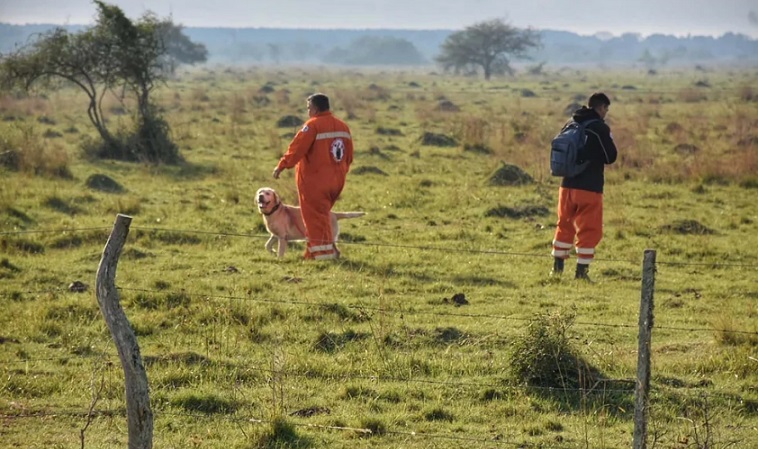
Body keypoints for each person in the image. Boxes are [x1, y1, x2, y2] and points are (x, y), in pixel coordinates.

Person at [272, 93, 353, 260]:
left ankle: (320, 254)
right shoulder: (343, 126)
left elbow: (296, 149)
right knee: (322, 215)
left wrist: (282, 165)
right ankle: (325, 251)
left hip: (315, 183)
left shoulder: (312, 125)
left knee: (314, 217)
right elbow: (349, 156)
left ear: (315, 109)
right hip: (336, 182)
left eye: (309, 108)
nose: (308, 112)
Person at [551, 92, 618, 280]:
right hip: (589, 187)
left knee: (564, 225)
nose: (605, 113)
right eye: (606, 109)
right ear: (601, 107)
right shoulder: (599, 127)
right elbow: (610, 157)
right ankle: (581, 273)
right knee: (589, 228)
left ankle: (557, 269)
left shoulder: (571, 123)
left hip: (566, 185)